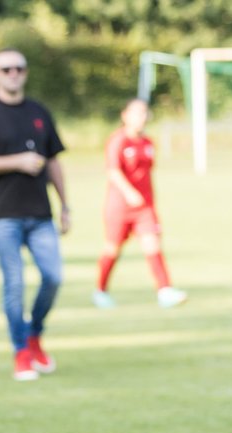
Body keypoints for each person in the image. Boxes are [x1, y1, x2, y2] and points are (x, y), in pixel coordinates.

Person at [0, 48, 70, 382]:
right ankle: (21, 351)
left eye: (19, 68)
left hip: (41, 213)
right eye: (6, 69)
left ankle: (34, 333)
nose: (13, 74)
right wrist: (18, 161)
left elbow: (53, 160)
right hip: (4, 214)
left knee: (53, 277)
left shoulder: (39, 111)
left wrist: (65, 205)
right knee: (15, 283)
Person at [95, 98, 187, 310]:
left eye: (144, 113)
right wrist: (129, 193)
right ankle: (100, 290)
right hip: (119, 207)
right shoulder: (118, 140)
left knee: (153, 245)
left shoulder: (148, 143)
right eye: (136, 113)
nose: (141, 117)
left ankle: (165, 291)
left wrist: (144, 198)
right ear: (125, 115)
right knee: (112, 249)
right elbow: (113, 171)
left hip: (145, 207)